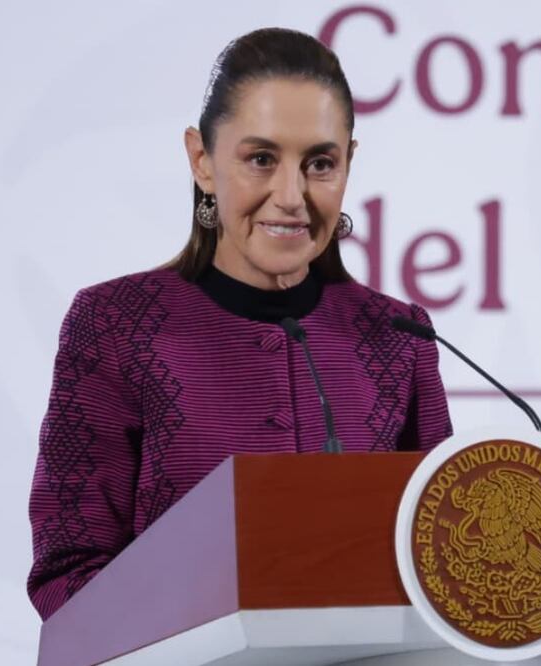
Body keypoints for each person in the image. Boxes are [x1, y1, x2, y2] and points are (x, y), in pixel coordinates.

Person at [26, 28, 452, 621]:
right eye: (260, 159)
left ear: (349, 163)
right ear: (202, 161)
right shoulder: (114, 326)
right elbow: (68, 575)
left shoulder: (399, 337)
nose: (291, 196)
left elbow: (448, 565)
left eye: (320, 163)